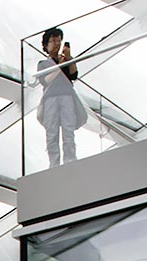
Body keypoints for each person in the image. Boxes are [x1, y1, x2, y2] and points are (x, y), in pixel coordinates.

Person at [35, 27, 83, 167]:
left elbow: (73, 75)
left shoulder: (67, 60)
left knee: (68, 130)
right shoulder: (43, 64)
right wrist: (61, 65)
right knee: (52, 132)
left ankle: (70, 160)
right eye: (53, 41)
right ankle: (53, 163)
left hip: (67, 96)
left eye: (58, 40)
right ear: (46, 45)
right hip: (51, 98)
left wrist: (68, 59)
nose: (56, 43)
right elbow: (46, 80)